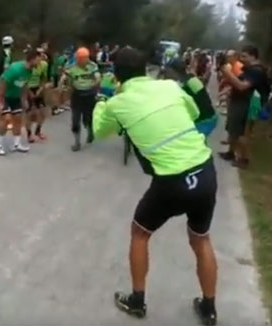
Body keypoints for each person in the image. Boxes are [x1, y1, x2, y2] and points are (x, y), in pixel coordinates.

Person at [92, 47, 219, 325]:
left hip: (172, 179)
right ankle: (209, 309)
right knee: (201, 239)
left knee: (140, 233)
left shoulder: (118, 102)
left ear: (116, 75)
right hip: (205, 171)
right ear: (146, 68)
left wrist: (103, 96)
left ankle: (137, 301)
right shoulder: (169, 86)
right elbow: (196, 111)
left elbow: (99, 131)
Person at [219, 45, 269, 169]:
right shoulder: (249, 69)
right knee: (233, 129)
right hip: (239, 102)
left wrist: (226, 72)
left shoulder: (257, 71)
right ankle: (231, 153)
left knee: (243, 133)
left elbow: (241, 86)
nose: (241, 59)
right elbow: (237, 82)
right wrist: (226, 91)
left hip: (248, 105)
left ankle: (243, 159)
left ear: (253, 56)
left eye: (244, 56)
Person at [0, 50, 42, 156]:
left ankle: (16, 144)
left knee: (18, 119)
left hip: (16, 97)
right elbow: (3, 84)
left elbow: (24, 86)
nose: (39, 63)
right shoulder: (15, 68)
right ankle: (0, 145)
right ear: (32, 59)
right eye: (38, 60)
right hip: (5, 96)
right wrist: (0, 102)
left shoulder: (30, 71)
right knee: (6, 119)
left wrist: (24, 100)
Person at [165, 59, 218, 138]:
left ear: (174, 71)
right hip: (205, 118)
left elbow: (202, 101)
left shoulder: (188, 83)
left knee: (196, 144)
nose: (166, 74)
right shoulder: (189, 80)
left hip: (204, 120)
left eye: (168, 71)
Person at [62, 47, 100, 152]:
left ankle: (90, 131)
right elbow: (66, 79)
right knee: (75, 119)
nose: (83, 60)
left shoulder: (92, 66)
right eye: (81, 58)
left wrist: (95, 83)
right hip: (77, 95)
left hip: (89, 95)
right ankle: (77, 142)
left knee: (88, 118)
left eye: (85, 58)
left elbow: (97, 77)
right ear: (77, 58)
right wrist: (64, 85)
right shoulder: (71, 67)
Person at [25, 48, 49, 143]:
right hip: (28, 88)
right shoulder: (28, 66)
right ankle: (29, 134)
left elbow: (44, 78)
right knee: (30, 113)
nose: (42, 57)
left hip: (38, 87)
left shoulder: (44, 65)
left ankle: (38, 131)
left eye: (43, 55)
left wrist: (41, 89)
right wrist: (29, 93)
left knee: (43, 112)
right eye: (40, 55)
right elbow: (24, 81)